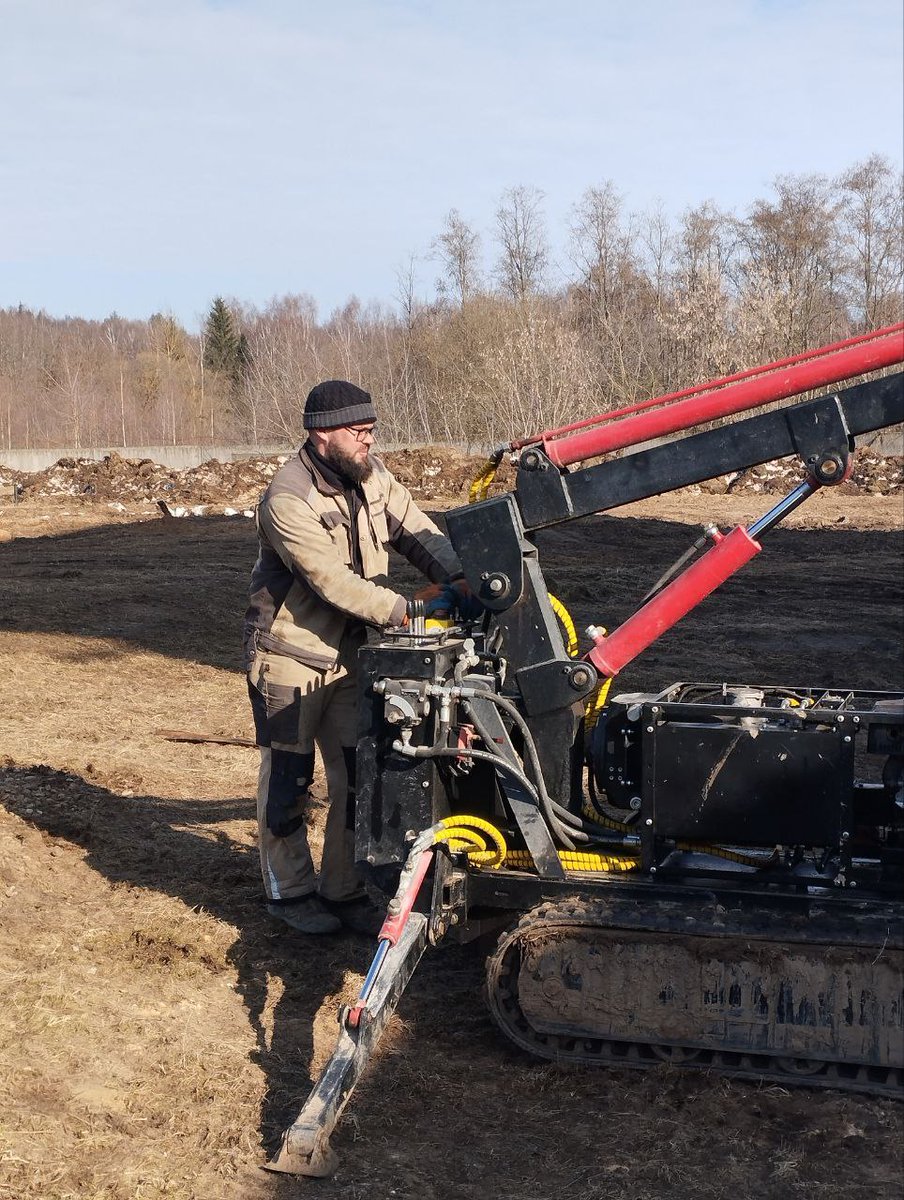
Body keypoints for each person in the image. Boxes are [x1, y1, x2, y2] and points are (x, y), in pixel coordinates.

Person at [243, 380, 467, 935]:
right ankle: (289, 893)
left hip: (353, 659)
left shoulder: (371, 477)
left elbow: (419, 533)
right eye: (358, 432)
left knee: (355, 776)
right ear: (322, 434)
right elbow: (331, 582)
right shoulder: (286, 499)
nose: (369, 441)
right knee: (289, 782)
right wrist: (406, 609)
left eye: (371, 431)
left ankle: (341, 889)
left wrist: (464, 578)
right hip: (291, 658)